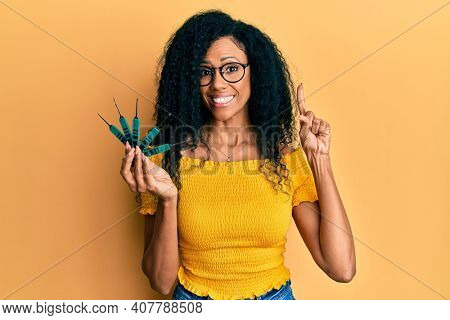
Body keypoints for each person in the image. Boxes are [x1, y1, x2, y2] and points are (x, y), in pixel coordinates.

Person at [120, 9, 356, 300]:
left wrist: (319, 159)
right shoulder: (164, 159)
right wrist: (168, 199)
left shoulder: (283, 158)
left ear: (254, 72)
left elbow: (341, 268)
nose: (217, 83)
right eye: (204, 72)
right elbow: (162, 282)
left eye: (231, 68)